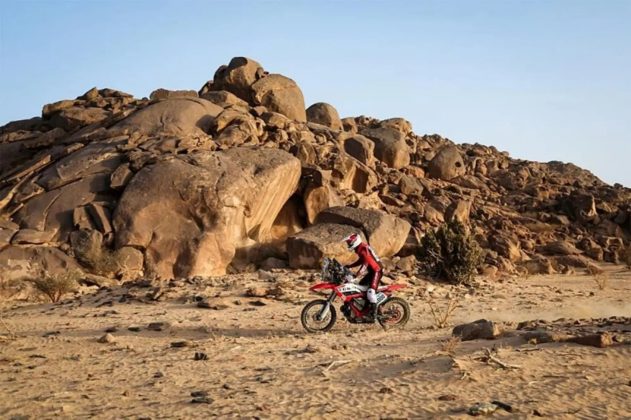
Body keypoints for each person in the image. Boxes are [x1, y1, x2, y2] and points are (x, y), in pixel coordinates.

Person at [343, 233, 383, 322]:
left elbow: (365, 264)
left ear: (355, 241)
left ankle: (373, 315)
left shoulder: (363, 249)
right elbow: (361, 261)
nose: (348, 244)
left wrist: (357, 275)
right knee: (361, 288)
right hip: (372, 272)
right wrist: (350, 266)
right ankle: (365, 310)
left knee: (370, 292)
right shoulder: (360, 248)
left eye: (349, 242)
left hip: (377, 271)